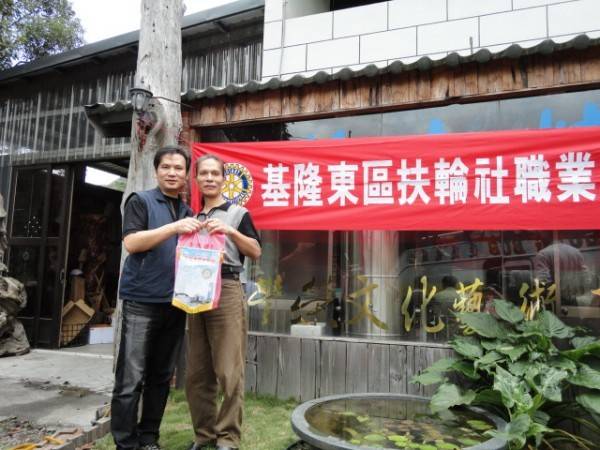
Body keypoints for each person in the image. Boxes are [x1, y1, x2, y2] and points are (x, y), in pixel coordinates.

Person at [111, 146, 202, 450]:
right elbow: (132, 242)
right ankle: (126, 443)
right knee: (131, 377)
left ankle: (149, 437)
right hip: (141, 301)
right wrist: (174, 227)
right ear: (156, 170)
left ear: (186, 174)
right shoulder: (140, 201)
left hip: (175, 302)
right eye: (166, 167)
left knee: (161, 376)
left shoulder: (188, 212)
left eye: (178, 168)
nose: (172, 173)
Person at [186, 154, 261, 450]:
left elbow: (255, 251)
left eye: (214, 173)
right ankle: (203, 435)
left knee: (229, 369)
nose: (209, 178)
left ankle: (228, 436)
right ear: (196, 179)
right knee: (197, 371)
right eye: (203, 173)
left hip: (227, 286)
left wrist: (229, 231)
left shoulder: (238, 213)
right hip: (195, 289)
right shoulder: (192, 217)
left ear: (223, 178)